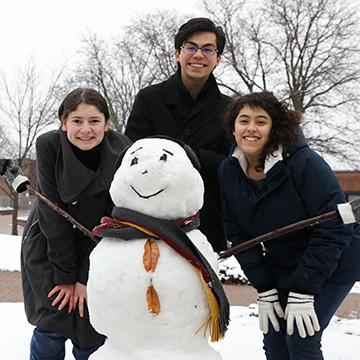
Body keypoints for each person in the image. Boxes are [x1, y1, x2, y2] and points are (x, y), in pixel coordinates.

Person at [218, 91, 360, 360]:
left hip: (336, 260)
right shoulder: (229, 171)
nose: (251, 128)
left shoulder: (305, 163)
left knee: (300, 339)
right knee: (274, 341)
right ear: (233, 128)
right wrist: (265, 288)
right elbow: (238, 234)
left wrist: (304, 291)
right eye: (243, 120)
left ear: (275, 128)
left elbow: (337, 226)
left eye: (261, 121)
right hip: (285, 263)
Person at [21, 88, 131, 359]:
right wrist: (65, 277)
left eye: (94, 121)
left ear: (107, 124)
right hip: (49, 243)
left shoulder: (123, 152)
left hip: (101, 245)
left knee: (92, 328)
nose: (85, 130)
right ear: (63, 123)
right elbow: (52, 212)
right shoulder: (48, 146)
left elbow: (115, 219)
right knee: (52, 324)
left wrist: (84, 278)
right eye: (76, 121)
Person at [125, 17, 232, 252]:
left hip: (205, 224)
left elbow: (230, 167)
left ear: (218, 58)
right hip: (150, 220)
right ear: (177, 53)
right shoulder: (148, 99)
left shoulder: (230, 110)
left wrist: (187, 154)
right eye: (191, 47)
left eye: (207, 49)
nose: (198, 55)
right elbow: (131, 156)